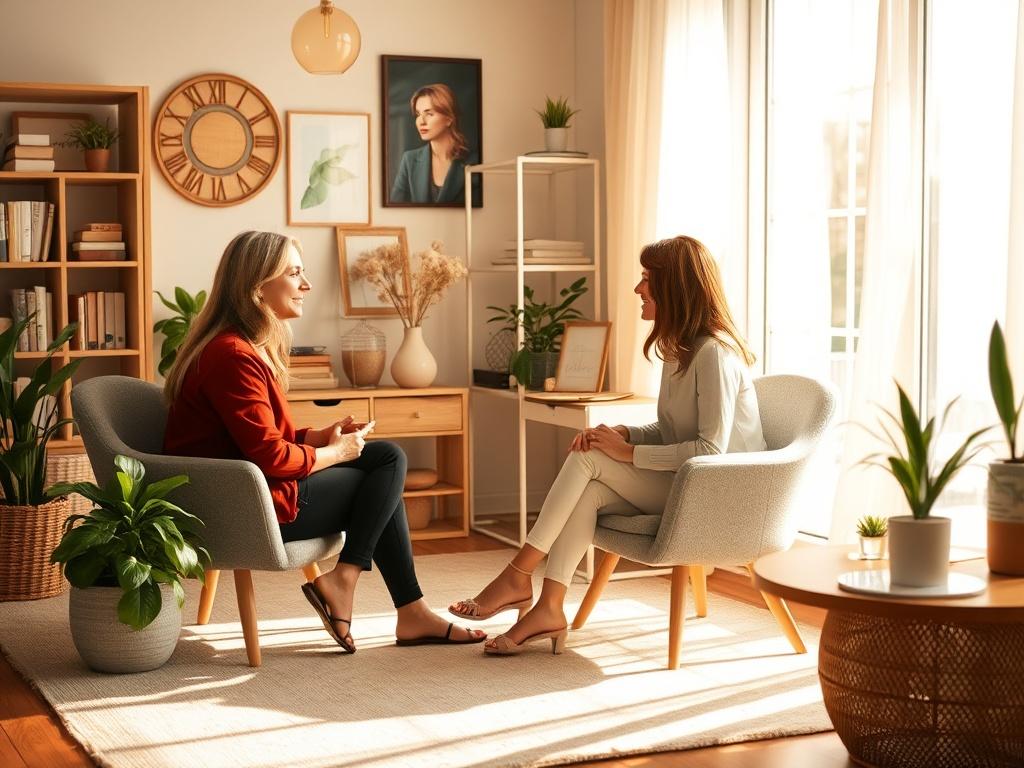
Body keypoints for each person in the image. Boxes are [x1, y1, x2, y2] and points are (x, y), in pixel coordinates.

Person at [163, 231, 486, 652]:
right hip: (242, 507)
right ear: (258, 286)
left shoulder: (236, 346)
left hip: (242, 490)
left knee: (384, 458)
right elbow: (272, 457)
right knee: (385, 470)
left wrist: (320, 437)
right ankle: (358, 588)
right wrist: (336, 452)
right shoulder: (233, 356)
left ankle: (396, 605)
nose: (306, 285)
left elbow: (253, 437)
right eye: (295, 273)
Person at [450, 235, 768, 656]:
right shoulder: (679, 352)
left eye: (647, 280)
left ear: (675, 287)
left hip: (720, 497)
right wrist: (625, 433)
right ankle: (548, 605)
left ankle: (518, 573)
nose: (638, 289)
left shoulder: (714, 354)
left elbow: (711, 452)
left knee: (591, 459)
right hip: (688, 485)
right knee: (593, 484)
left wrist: (627, 454)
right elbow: (673, 431)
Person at [389, 83, 473, 204]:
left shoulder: (473, 161)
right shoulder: (409, 159)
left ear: (449, 118)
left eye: (429, 114)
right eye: (418, 114)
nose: (421, 121)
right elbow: (395, 208)